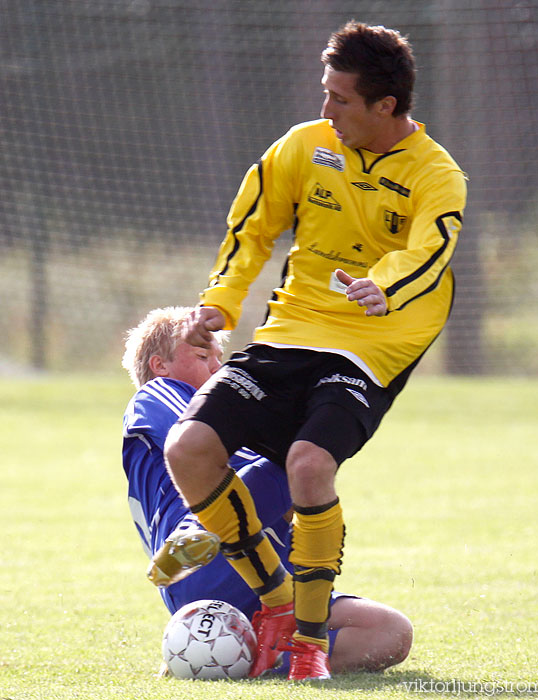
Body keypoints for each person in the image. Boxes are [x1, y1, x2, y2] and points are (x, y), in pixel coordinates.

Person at [164, 20, 467, 681]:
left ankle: (306, 644)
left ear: (385, 106)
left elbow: (430, 251)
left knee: (307, 464)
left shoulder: (436, 174)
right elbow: (252, 230)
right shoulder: (305, 147)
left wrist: (382, 284)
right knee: (187, 448)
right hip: (290, 331)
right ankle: (276, 602)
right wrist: (220, 302)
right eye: (323, 93)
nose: (325, 110)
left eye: (340, 99)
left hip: (372, 346)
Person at [121, 306, 413, 676]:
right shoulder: (159, 393)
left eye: (219, 359)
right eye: (201, 356)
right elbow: (198, 445)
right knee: (294, 456)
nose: (216, 370)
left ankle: (250, 661)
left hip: (269, 582)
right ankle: (197, 529)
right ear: (160, 366)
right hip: (208, 566)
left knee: (390, 632)